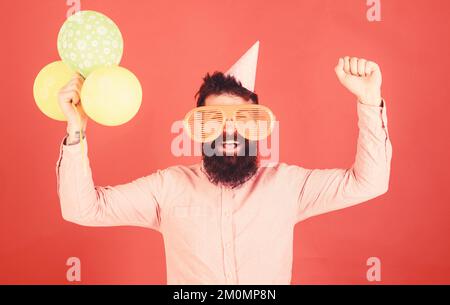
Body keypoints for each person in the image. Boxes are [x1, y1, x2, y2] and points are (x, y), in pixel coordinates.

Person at [56, 42, 392, 284]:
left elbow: (370, 182)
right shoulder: (168, 188)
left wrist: (368, 100)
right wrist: (76, 128)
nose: (229, 130)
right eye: (214, 120)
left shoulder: (287, 186)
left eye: (242, 118)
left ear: (258, 126)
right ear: (198, 130)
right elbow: (82, 209)